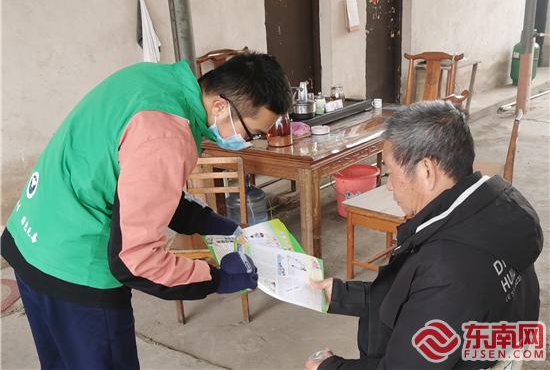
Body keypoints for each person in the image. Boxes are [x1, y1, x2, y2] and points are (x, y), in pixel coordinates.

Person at [1, 52, 292, 369]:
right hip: (77, 269)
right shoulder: (168, 134)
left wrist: (210, 223)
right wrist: (218, 278)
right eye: (251, 133)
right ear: (221, 106)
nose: (248, 142)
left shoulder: (154, 81)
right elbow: (134, 261)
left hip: (30, 241)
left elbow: (140, 185)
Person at [306, 101, 542, 369]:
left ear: (426, 171)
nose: (389, 186)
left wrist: (328, 367)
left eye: (390, 173)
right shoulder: (493, 206)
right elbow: (418, 295)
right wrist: (342, 295)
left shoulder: (448, 268)